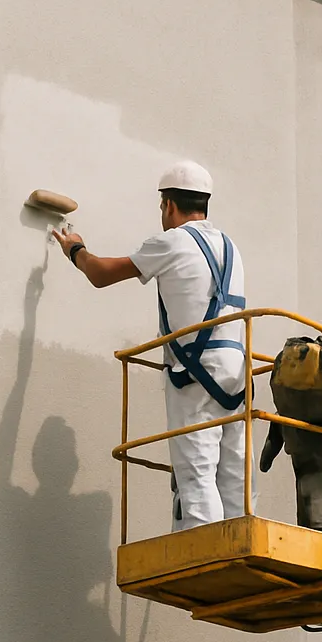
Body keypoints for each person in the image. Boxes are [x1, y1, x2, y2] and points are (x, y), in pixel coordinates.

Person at [53, 161, 254, 530]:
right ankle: (240, 542)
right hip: (237, 373)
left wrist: (75, 249)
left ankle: (202, 557)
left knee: (195, 470)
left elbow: (100, 273)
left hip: (194, 373)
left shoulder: (172, 240)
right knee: (233, 469)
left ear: (168, 205)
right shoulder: (230, 247)